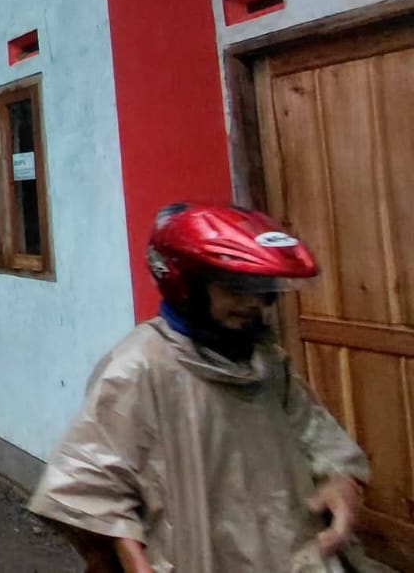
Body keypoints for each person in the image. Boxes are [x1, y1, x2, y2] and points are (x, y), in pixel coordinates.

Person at [28, 203, 391, 573]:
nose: (252, 303)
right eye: (235, 289)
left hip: (288, 551)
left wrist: (340, 482)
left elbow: (316, 433)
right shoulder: (140, 366)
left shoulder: (264, 362)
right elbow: (90, 484)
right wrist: (133, 561)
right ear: (188, 286)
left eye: (262, 291)